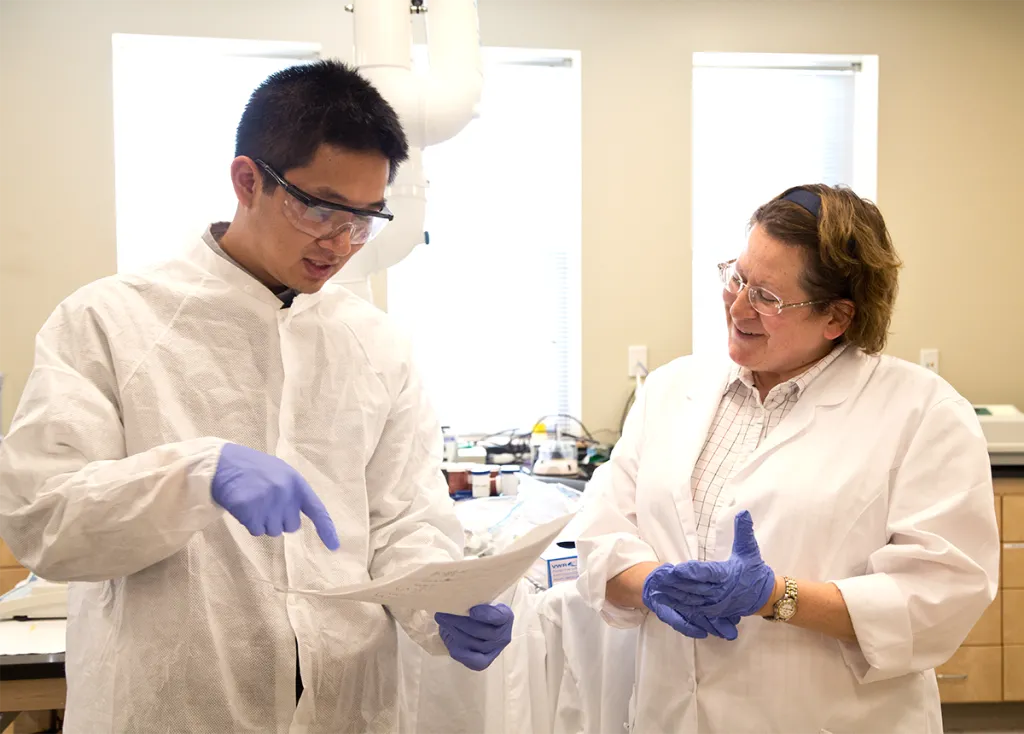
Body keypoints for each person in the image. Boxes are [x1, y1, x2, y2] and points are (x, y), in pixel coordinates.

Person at [0, 60, 514, 733]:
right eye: (323, 209)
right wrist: (195, 474)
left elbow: (404, 520)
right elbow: (44, 522)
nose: (341, 244)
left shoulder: (375, 344)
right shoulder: (111, 322)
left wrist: (442, 601)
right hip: (174, 707)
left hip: (347, 705)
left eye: (365, 219)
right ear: (248, 181)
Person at [575, 184, 999, 733]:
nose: (737, 305)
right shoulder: (670, 389)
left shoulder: (925, 414)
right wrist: (652, 583)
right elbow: (602, 531)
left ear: (837, 318)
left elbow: (941, 597)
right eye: (737, 277)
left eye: (767, 298)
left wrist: (779, 597)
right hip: (671, 713)